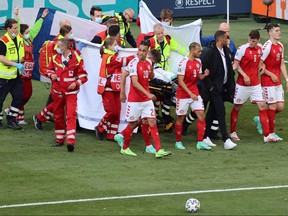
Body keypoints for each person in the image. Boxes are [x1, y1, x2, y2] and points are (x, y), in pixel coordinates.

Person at [113, 41, 171, 158]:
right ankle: (125, 148)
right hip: (135, 99)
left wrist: (152, 71)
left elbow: (150, 76)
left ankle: (158, 149)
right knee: (133, 123)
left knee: (151, 121)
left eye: (144, 51)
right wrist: (123, 92)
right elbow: (134, 83)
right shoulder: (134, 63)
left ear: (147, 52)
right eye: (139, 50)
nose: (141, 53)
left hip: (145, 100)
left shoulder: (149, 62)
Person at [182, 22, 237, 137]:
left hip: (220, 85)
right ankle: (186, 124)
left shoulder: (231, 45)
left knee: (217, 108)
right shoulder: (211, 44)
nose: (227, 34)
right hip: (206, 84)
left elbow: (234, 59)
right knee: (202, 107)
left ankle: (211, 131)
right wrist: (198, 29)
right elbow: (199, 42)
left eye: (228, 31)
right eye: (225, 32)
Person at [230, 30, 277, 143]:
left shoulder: (260, 48)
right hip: (242, 85)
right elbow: (235, 65)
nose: (251, 43)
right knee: (237, 106)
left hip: (255, 84)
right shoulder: (242, 49)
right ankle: (232, 132)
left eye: (254, 41)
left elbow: (261, 62)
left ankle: (266, 136)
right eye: (250, 40)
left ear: (258, 40)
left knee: (262, 106)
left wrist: (262, 66)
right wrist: (244, 75)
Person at [5, 8, 49, 125]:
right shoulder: (20, 39)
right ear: (21, 33)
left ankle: (12, 110)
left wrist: (42, 18)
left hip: (28, 73)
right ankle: (17, 116)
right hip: (21, 73)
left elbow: (36, 29)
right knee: (21, 95)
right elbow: (17, 27)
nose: (29, 33)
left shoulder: (29, 39)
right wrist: (17, 16)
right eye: (26, 32)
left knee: (27, 95)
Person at [44, 38, 88, 152]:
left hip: (71, 93)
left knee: (71, 115)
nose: (57, 48)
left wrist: (75, 83)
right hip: (57, 92)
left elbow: (84, 76)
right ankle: (59, 139)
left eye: (59, 46)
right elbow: (48, 70)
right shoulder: (55, 58)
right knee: (58, 115)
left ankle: (70, 141)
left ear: (65, 47)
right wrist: (51, 74)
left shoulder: (77, 59)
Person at [33, 24, 76, 131]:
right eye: (70, 33)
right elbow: (58, 60)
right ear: (66, 34)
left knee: (59, 102)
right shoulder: (60, 44)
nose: (71, 35)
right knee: (59, 102)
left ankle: (41, 117)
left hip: (63, 77)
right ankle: (40, 117)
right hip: (59, 77)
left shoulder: (65, 42)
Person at [147, 23, 188, 131]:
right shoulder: (151, 42)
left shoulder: (168, 40)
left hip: (165, 71)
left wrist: (189, 55)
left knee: (167, 93)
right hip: (155, 71)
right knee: (164, 92)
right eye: (158, 34)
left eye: (161, 33)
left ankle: (165, 116)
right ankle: (161, 116)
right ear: (155, 33)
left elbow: (179, 48)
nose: (160, 35)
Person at [201, 30, 237, 150]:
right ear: (219, 39)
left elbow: (228, 68)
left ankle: (205, 136)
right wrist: (211, 87)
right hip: (214, 89)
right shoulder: (210, 53)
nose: (228, 40)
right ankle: (226, 139)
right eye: (226, 38)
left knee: (211, 112)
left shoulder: (226, 51)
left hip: (223, 87)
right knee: (221, 111)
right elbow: (204, 70)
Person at [94, 37, 134, 141]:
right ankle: (100, 127)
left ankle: (111, 135)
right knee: (112, 112)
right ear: (109, 46)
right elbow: (124, 61)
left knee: (117, 112)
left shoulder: (111, 56)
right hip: (107, 88)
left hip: (115, 87)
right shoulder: (109, 57)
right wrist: (136, 55)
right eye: (115, 44)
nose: (117, 46)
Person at [253, 23, 288, 141]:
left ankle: (260, 119)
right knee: (272, 106)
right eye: (277, 30)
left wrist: (287, 79)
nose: (279, 32)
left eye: (279, 30)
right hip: (268, 81)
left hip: (277, 81)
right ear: (270, 33)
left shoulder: (280, 46)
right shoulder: (267, 47)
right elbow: (259, 64)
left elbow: (282, 63)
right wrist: (270, 74)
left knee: (281, 106)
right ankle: (271, 133)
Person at [174, 42, 211, 150]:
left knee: (201, 115)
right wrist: (190, 94)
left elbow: (199, 77)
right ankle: (178, 141)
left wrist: (205, 75)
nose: (200, 53)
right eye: (199, 51)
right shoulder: (183, 62)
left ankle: (200, 142)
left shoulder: (198, 62)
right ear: (192, 50)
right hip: (183, 95)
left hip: (194, 93)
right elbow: (180, 81)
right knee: (181, 118)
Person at [0, 18, 25, 130]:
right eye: (14, 28)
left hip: (16, 75)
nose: (17, 30)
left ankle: (11, 119)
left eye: (17, 28)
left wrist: (16, 15)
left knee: (19, 97)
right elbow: (1, 57)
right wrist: (15, 64)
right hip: (4, 76)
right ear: (8, 29)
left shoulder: (18, 36)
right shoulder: (3, 41)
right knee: (0, 100)